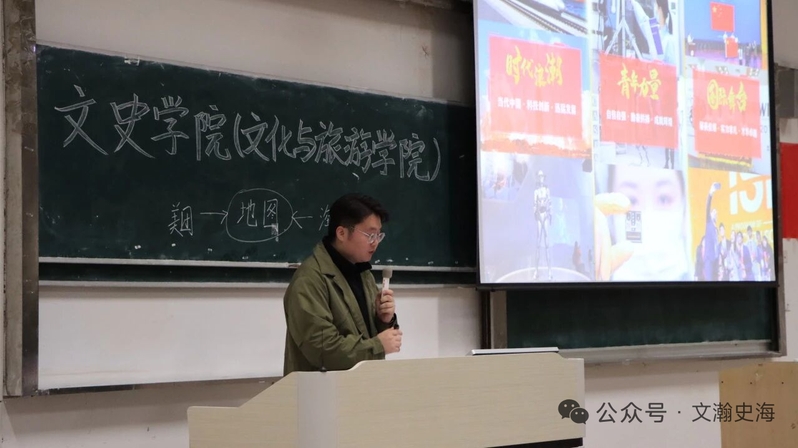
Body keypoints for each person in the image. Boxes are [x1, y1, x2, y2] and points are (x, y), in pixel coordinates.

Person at [282, 193, 402, 375]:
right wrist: (378, 345)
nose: (375, 243)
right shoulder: (309, 280)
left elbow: (367, 335)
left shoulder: (363, 274)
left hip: (360, 386)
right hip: (321, 389)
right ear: (341, 233)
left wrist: (383, 319)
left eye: (379, 235)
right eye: (370, 235)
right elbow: (322, 350)